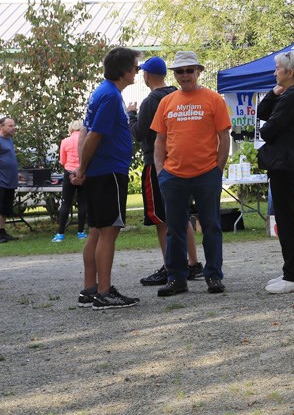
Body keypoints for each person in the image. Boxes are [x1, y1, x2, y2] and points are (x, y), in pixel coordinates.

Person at [151, 51, 233, 296]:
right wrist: (161, 172)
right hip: (173, 176)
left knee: (211, 227)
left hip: (206, 174)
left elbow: (224, 137)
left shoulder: (213, 99)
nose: (185, 75)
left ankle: (214, 276)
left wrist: (218, 169)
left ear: (198, 71)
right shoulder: (166, 102)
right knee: (175, 230)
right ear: (175, 75)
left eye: (189, 70)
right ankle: (176, 279)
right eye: (180, 71)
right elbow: (159, 140)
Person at [72, 47, 140, 309]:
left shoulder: (101, 92)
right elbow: (94, 135)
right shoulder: (111, 96)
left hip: (99, 171)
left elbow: (85, 130)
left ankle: (90, 289)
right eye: (135, 67)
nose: (137, 71)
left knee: (96, 231)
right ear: (125, 70)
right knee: (109, 231)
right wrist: (82, 169)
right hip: (109, 170)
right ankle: (103, 292)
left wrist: (83, 168)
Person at [127, 56, 202, 287]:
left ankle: (170, 265)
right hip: (177, 161)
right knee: (181, 215)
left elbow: (139, 133)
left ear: (147, 75)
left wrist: (131, 115)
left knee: (162, 219)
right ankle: (192, 262)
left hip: (156, 162)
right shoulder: (175, 95)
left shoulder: (151, 100)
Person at [257, 50, 294, 294]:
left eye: (278, 69)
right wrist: (274, 93)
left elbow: (267, 130)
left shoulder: (293, 97)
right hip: (287, 162)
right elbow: (263, 113)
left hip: (285, 162)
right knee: (285, 218)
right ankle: (291, 271)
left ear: (289, 72)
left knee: (287, 219)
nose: (275, 72)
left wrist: (272, 118)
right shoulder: (292, 94)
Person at [53, 120, 86, 241]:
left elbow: (62, 161)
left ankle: (60, 233)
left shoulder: (65, 141)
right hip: (83, 172)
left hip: (69, 172)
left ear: (71, 129)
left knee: (66, 203)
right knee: (83, 203)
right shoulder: (86, 140)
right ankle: (81, 232)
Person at [0, 117, 20, 244]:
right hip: (1, 180)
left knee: (5, 209)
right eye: (10, 126)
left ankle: (2, 232)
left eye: (14, 125)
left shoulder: (10, 140)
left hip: (10, 180)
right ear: (1, 127)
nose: (13, 128)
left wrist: (17, 173)